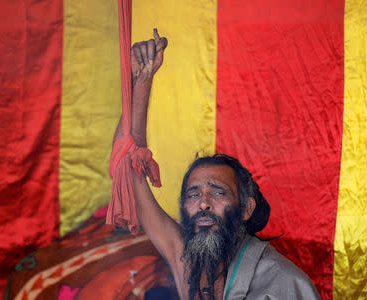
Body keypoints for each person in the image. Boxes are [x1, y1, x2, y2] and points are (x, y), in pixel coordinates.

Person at [113, 29, 320, 300]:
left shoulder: (284, 282)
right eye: (193, 194)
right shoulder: (185, 260)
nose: (203, 203)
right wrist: (141, 80)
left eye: (218, 192)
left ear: (246, 208)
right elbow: (128, 170)